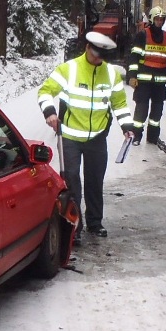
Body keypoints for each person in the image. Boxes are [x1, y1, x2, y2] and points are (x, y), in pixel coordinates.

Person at [38, 31, 134, 242]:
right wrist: (50, 112)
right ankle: (74, 227)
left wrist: (127, 125)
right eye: (96, 53)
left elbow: (119, 103)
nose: (98, 59)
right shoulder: (68, 69)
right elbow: (45, 92)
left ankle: (95, 222)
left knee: (95, 180)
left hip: (97, 138)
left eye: (102, 56)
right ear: (88, 47)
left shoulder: (110, 74)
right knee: (71, 181)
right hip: (70, 137)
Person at [126, 6, 166, 145]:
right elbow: (133, 58)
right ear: (151, 19)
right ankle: (136, 137)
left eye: (162, 19)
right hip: (143, 82)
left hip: (159, 84)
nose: (160, 22)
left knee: (156, 113)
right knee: (141, 112)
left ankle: (153, 138)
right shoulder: (142, 35)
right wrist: (132, 76)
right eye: (157, 19)